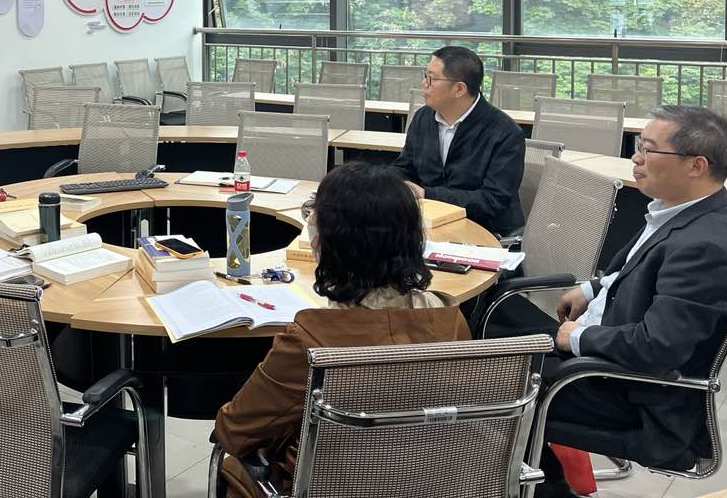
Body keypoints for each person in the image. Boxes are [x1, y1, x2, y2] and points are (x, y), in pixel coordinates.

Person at [214, 162, 469, 498]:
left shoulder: (311, 339)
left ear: (326, 243)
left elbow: (235, 430)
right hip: (428, 483)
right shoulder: (449, 319)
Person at [534, 105, 727, 496]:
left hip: (634, 396)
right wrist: (593, 288)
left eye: (648, 149)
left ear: (696, 166)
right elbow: (641, 270)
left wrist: (575, 337)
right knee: (486, 357)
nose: (636, 158)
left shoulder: (707, 246)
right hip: (604, 359)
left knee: (488, 386)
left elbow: (657, 347)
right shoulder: (679, 210)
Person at [393, 45, 525, 236]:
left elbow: (492, 200)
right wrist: (394, 183)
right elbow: (405, 167)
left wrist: (427, 194)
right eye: (425, 75)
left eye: (431, 78)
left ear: (459, 89)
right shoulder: (423, 117)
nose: (424, 83)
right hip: (430, 227)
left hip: (488, 233)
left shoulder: (505, 132)